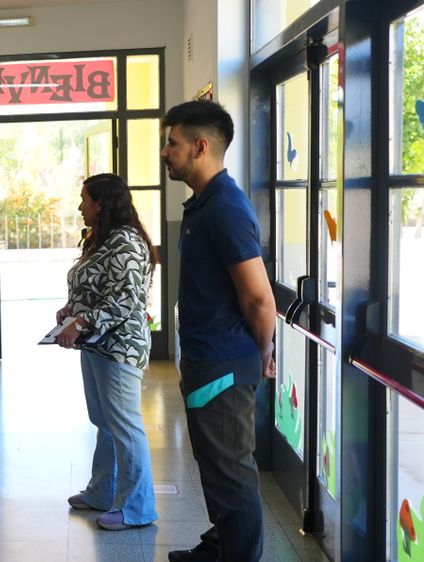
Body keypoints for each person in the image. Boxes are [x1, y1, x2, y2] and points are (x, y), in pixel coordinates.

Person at [160, 100, 276, 562]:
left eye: (172, 143)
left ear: (200, 146)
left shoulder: (225, 207)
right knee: (215, 467)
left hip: (225, 364)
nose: (165, 152)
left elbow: (258, 297)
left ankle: (239, 554)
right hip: (209, 359)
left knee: (231, 472)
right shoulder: (205, 204)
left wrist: (264, 351)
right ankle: (222, 545)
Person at [56, 173, 159, 532]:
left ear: (102, 203)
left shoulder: (126, 242)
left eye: (85, 199)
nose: (80, 206)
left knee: (126, 427)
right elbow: (97, 286)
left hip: (119, 348)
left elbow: (127, 301)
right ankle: (102, 493)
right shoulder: (104, 239)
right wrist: (72, 310)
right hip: (98, 346)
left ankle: (137, 509)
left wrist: (83, 322)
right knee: (105, 423)